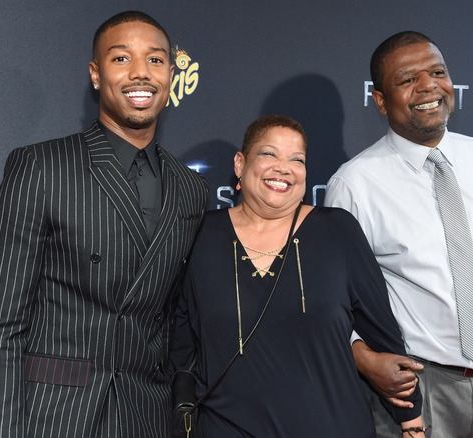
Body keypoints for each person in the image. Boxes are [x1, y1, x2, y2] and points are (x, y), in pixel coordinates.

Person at [0, 11, 208, 438]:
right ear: (96, 75)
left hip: (146, 416)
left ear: (171, 75)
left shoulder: (191, 189)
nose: (141, 73)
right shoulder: (42, 167)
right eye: (122, 59)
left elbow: (173, 321)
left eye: (155, 61)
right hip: (55, 415)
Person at [325, 31, 473, 437]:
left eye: (437, 72)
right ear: (380, 101)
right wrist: (363, 359)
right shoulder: (354, 184)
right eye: (407, 79)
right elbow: (335, 298)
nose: (429, 86)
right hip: (416, 392)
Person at [171, 115, 424, 437]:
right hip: (225, 427)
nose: (283, 167)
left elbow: (385, 339)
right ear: (239, 163)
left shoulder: (337, 231)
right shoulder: (200, 235)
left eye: (297, 159)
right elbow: (179, 345)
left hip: (335, 427)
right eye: (269, 154)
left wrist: (412, 426)